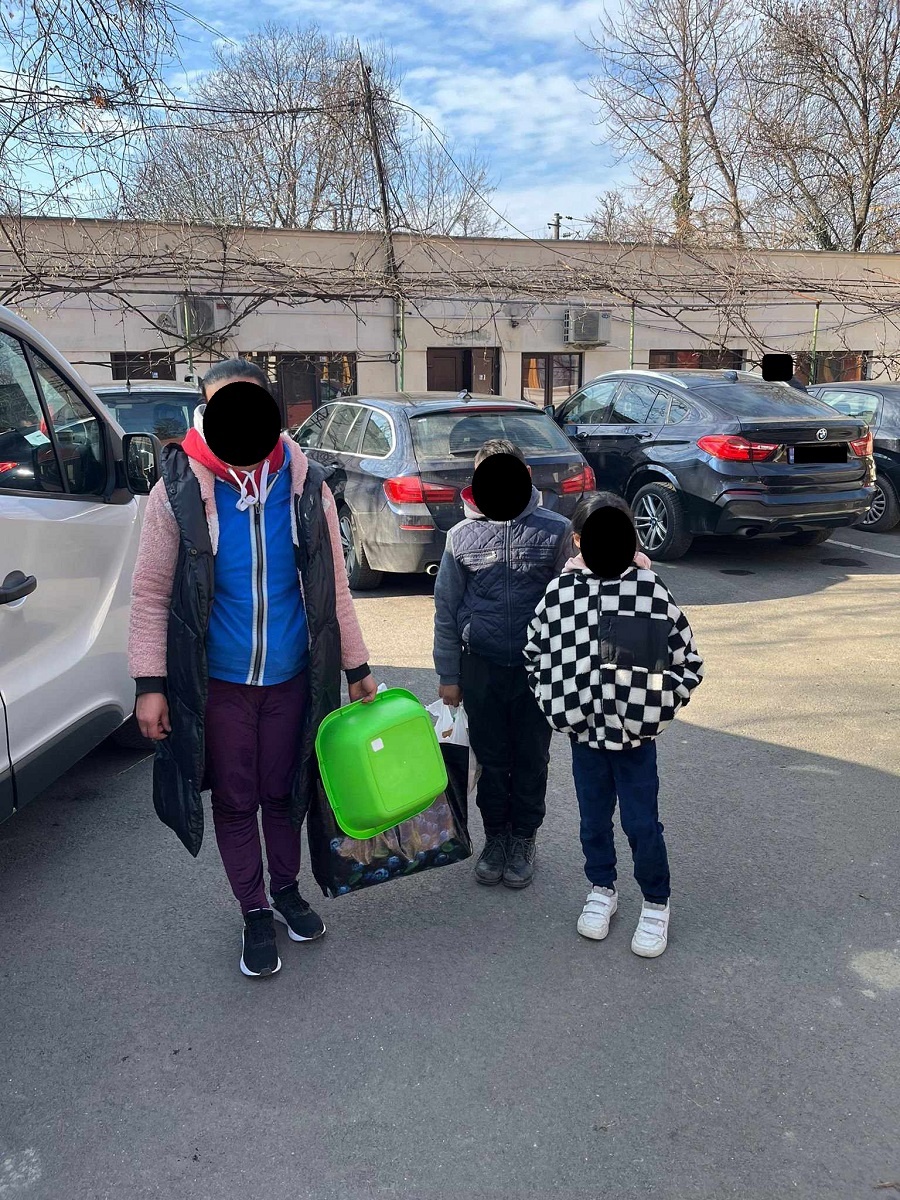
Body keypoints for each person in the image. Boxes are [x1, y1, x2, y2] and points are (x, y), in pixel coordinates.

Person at [128, 358, 376, 979]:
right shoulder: (177, 492)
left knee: (284, 792)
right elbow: (150, 594)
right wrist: (150, 684)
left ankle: (287, 890)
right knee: (237, 799)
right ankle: (255, 909)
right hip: (220, 685)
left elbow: (335, 588)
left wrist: (357, 667)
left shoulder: (306, 486)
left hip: (293, 676)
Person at [432, 440, 650, 890]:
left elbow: (575, 596)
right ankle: (496, 838)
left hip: (539, 671)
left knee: (531, 757)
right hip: (482, 667)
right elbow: (447, 610)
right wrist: (449, 675)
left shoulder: (554, 530)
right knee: (491, 759)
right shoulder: (460, 537)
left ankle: (524, 838)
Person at [523, 493, 703, 957]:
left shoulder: (649, 590)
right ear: (578, 540)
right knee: (592, 820)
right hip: (584, 736)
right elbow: (535, 654)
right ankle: (602, 887)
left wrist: (659, 706)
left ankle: (656, 901)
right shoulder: (560, 594)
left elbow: (687, 660)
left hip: (635, 739)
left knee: (642, 823)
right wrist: (554, 703)